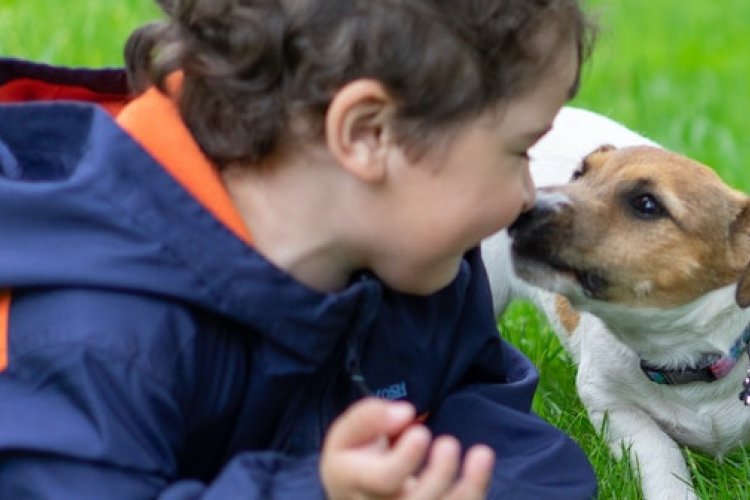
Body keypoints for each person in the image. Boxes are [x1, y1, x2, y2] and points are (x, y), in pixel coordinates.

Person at [0, 0, 597, 498]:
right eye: (521, 151)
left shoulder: (412, 258)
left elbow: (489, 414)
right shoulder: (100, 331)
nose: (527, 197)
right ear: (369, 134)